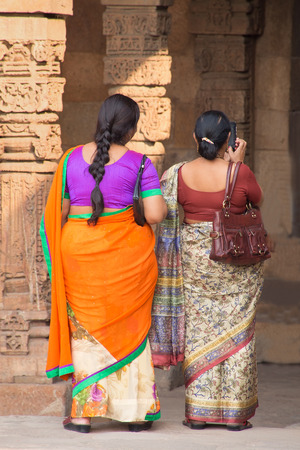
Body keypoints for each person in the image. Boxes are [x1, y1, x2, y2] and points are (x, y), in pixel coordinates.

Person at [40, 94, 167, 433]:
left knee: (86, 333)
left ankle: (83, 414)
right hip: (126, 259)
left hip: (78, 257)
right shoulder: (140, 163)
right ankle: (136, 413)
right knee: (130, 330)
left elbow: (60, 214)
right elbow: (154, 214)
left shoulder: (69, 160)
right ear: (132, 128)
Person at [150, 110, 264, 431]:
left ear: (195, 138)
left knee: (201, 330)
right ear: (229, 139)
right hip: (234, 260)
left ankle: (199, 414)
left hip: (194, 260)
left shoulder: (178, 173)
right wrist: (237, 164)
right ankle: (234, 416)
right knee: (238, 329)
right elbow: (257, 200)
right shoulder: (239, 173)